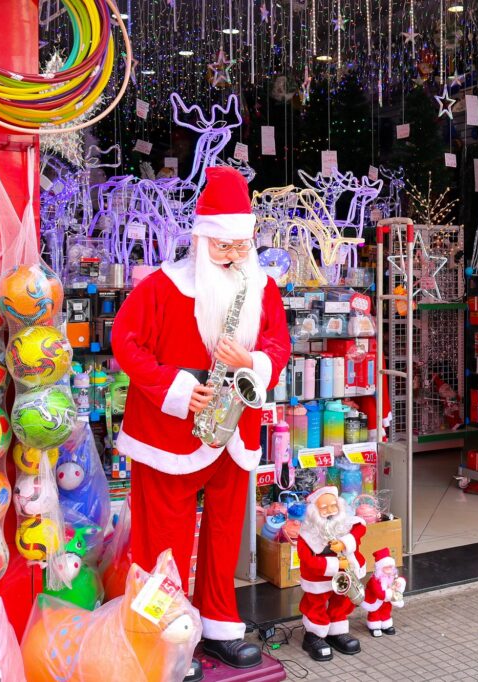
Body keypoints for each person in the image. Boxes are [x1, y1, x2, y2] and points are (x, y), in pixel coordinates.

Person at [112, 166, 290, 674]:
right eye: (224, 247)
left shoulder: (263, 288)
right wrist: (175, 387)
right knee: (161, 540)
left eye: (242, 245)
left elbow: (278, 345)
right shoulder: (161, 287)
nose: (235, 256)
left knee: (224, 533)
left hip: (236, 429)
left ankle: (218, 626)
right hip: (169, 433)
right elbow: (126, 343)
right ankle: (162, 639)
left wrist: (253, 364)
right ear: (201, 238)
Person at [296, 486, 366, 662]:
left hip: (345, 575)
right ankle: (314, 635)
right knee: (316, 604)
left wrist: (344, 543)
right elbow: (308, 561)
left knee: (341, 601)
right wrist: (336, 564)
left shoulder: (344, 523)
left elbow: (360, 528)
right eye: (324, 508)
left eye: (333, 506)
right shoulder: (307, 535)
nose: (330, 511)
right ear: (314, 511)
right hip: (319, 578)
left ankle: (337, 631)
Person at [360, 547, 405, 637]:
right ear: (380, 567)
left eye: (390, 566)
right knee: (375, 612)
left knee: (386, 610)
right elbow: (379, 593)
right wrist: (390, 592)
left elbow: (400, 580)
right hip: (375, 600)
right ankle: (374, 626)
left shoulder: (392, 576)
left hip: (387, 600)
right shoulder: (374, 579)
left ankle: (386, 624)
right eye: (386, 566)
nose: (389, 568)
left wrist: (399, 583)